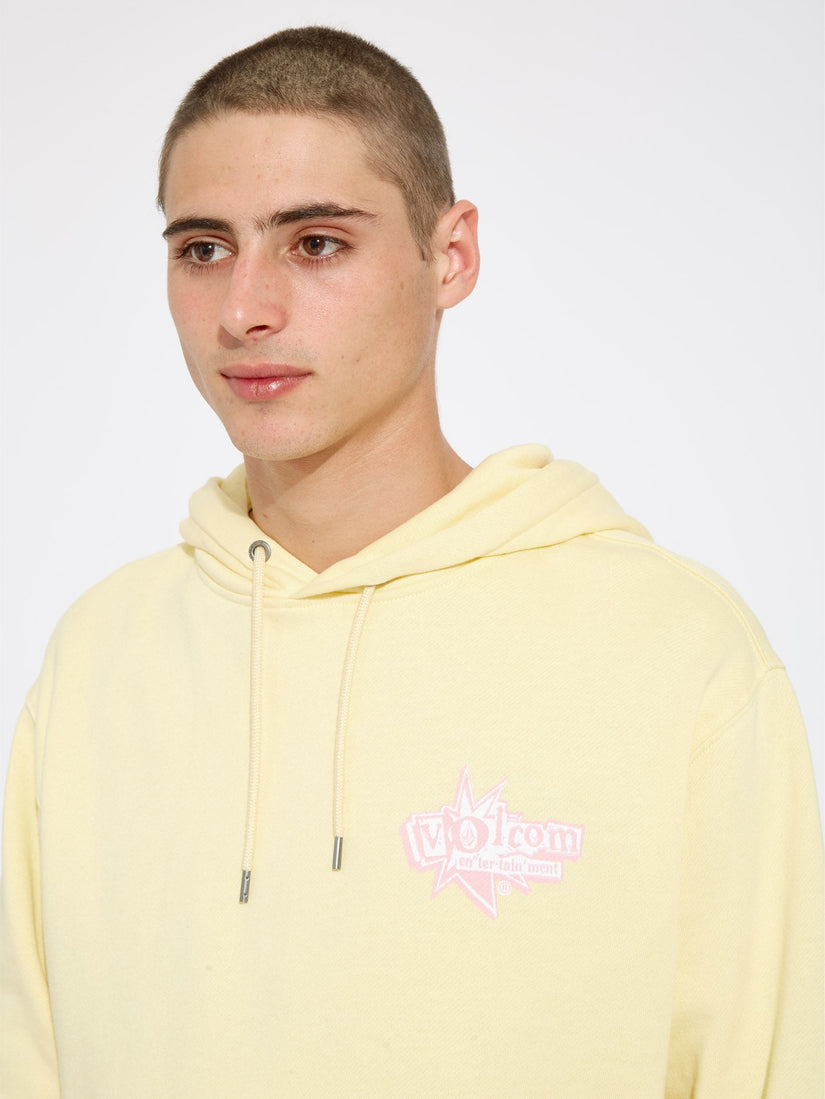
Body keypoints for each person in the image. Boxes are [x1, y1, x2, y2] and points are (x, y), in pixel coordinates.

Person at [0, 25, 821, 1098]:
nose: (244, 310)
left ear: (451, 256)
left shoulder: (680, 652)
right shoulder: (98, 657)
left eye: (315, 243)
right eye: (202, 249)